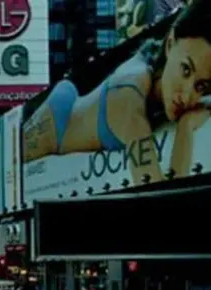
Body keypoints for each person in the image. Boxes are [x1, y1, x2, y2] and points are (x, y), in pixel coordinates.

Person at [22, 1, 211, 184]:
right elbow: (158, 197)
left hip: (78, 103)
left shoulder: (154, 67)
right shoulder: (128, 96)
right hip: (57, 126)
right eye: (186, 69)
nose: (186, 96)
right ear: (170, 44)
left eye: (200, 86)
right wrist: (185, 129)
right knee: (2, 171)